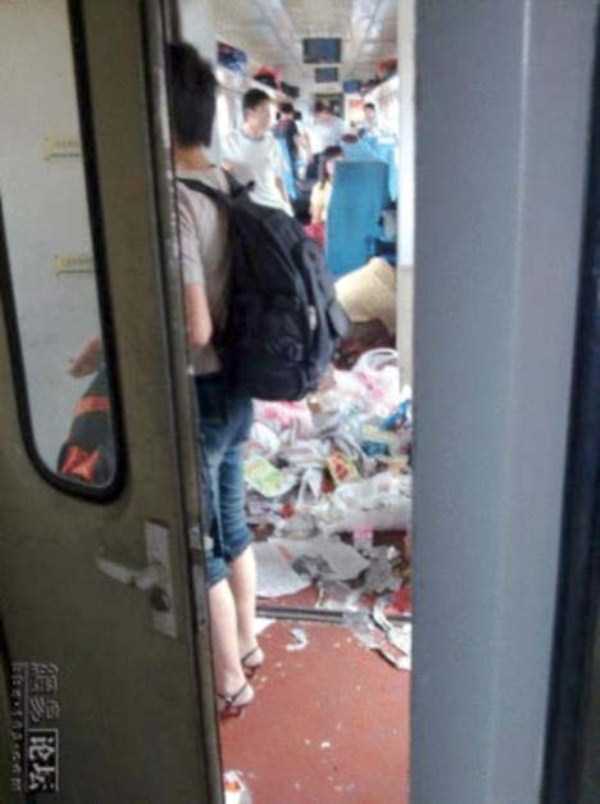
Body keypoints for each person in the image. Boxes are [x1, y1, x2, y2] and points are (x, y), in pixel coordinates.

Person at [168, 42, 262, 716]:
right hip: (241, 382)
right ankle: (250, 643)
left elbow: (193, 327)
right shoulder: (230, 182)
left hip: (200, 386)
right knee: (233, 520)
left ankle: (228, 680)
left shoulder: (175, 201)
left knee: (198, 544)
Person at [222, 88, 292, 214]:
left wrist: (287, 206)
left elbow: (278, 179)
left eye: (270, 112)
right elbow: (223, 178)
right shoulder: (230, 142)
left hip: (274, 207)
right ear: (249, 113)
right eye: (264, 111)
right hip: (248, 211)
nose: (269, 117)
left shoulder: (272, 143)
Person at [305, 145, 343, 246]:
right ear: (325, 166)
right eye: (332, 162)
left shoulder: (353, 185)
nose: (336, 166)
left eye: (339, 162)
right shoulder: (320, 188)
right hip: (329, 230)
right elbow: (316, 220)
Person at [305, 101, 345, 180]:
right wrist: (308, 152)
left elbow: (343, 137)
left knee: (329, 176)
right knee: (314, 175)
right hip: (316, 153)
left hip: (332, 154)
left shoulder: (338, 122)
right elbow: (306, 137)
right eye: (318, 115)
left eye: (324, 113)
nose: (321, 117)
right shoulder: (311, 123)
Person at [272, 101, 310, 180]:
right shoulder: (291, 123)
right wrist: (306, 149)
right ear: (291, 112)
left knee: (284, 179)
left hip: (279, 157)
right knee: (294, 178)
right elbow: (296, 139)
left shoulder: (275, 126)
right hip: (290, 154)